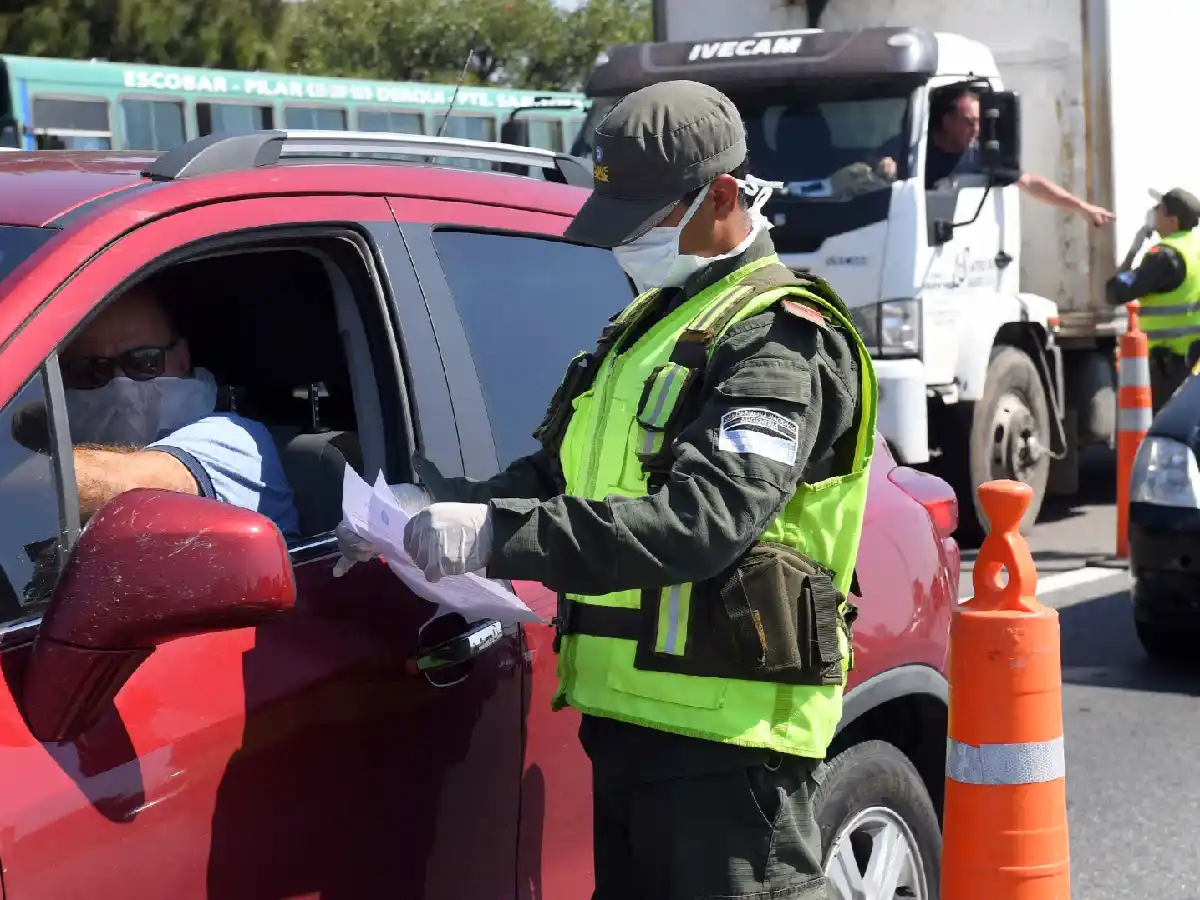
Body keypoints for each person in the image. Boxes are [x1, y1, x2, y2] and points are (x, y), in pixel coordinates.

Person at [337, 80, 877, 899]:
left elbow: (705, 523)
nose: (628, 244)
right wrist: (427, 512)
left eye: (646, 219)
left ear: (723, 195)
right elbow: (558, 476)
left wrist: (495, 537)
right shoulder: (652, 324)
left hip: (728, 738)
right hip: (635, 722)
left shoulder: (778, 337)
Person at [47, 282, 299, 534]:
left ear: (181, 359)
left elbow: (125, 486)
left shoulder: (235, 441)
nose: (121, 386)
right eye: (91, 370)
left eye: (144, 361)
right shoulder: (63, 445)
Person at [923, 85, 1115, 227]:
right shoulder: (918, 152)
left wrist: (1082, 207)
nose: (976, 130)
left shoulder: (983, 155)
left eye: (980, 123)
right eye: (969, 122)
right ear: (948, 121)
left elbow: (1031, 183)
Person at [1107, 187, 1200, 411]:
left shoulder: (1165, 256)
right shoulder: (1194, 247)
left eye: (1159, 208)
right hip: (1193, 360)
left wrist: (1134, 249)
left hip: (1169, 366)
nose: (1153, 211)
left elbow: (1115, 292)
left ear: (1172, 221)